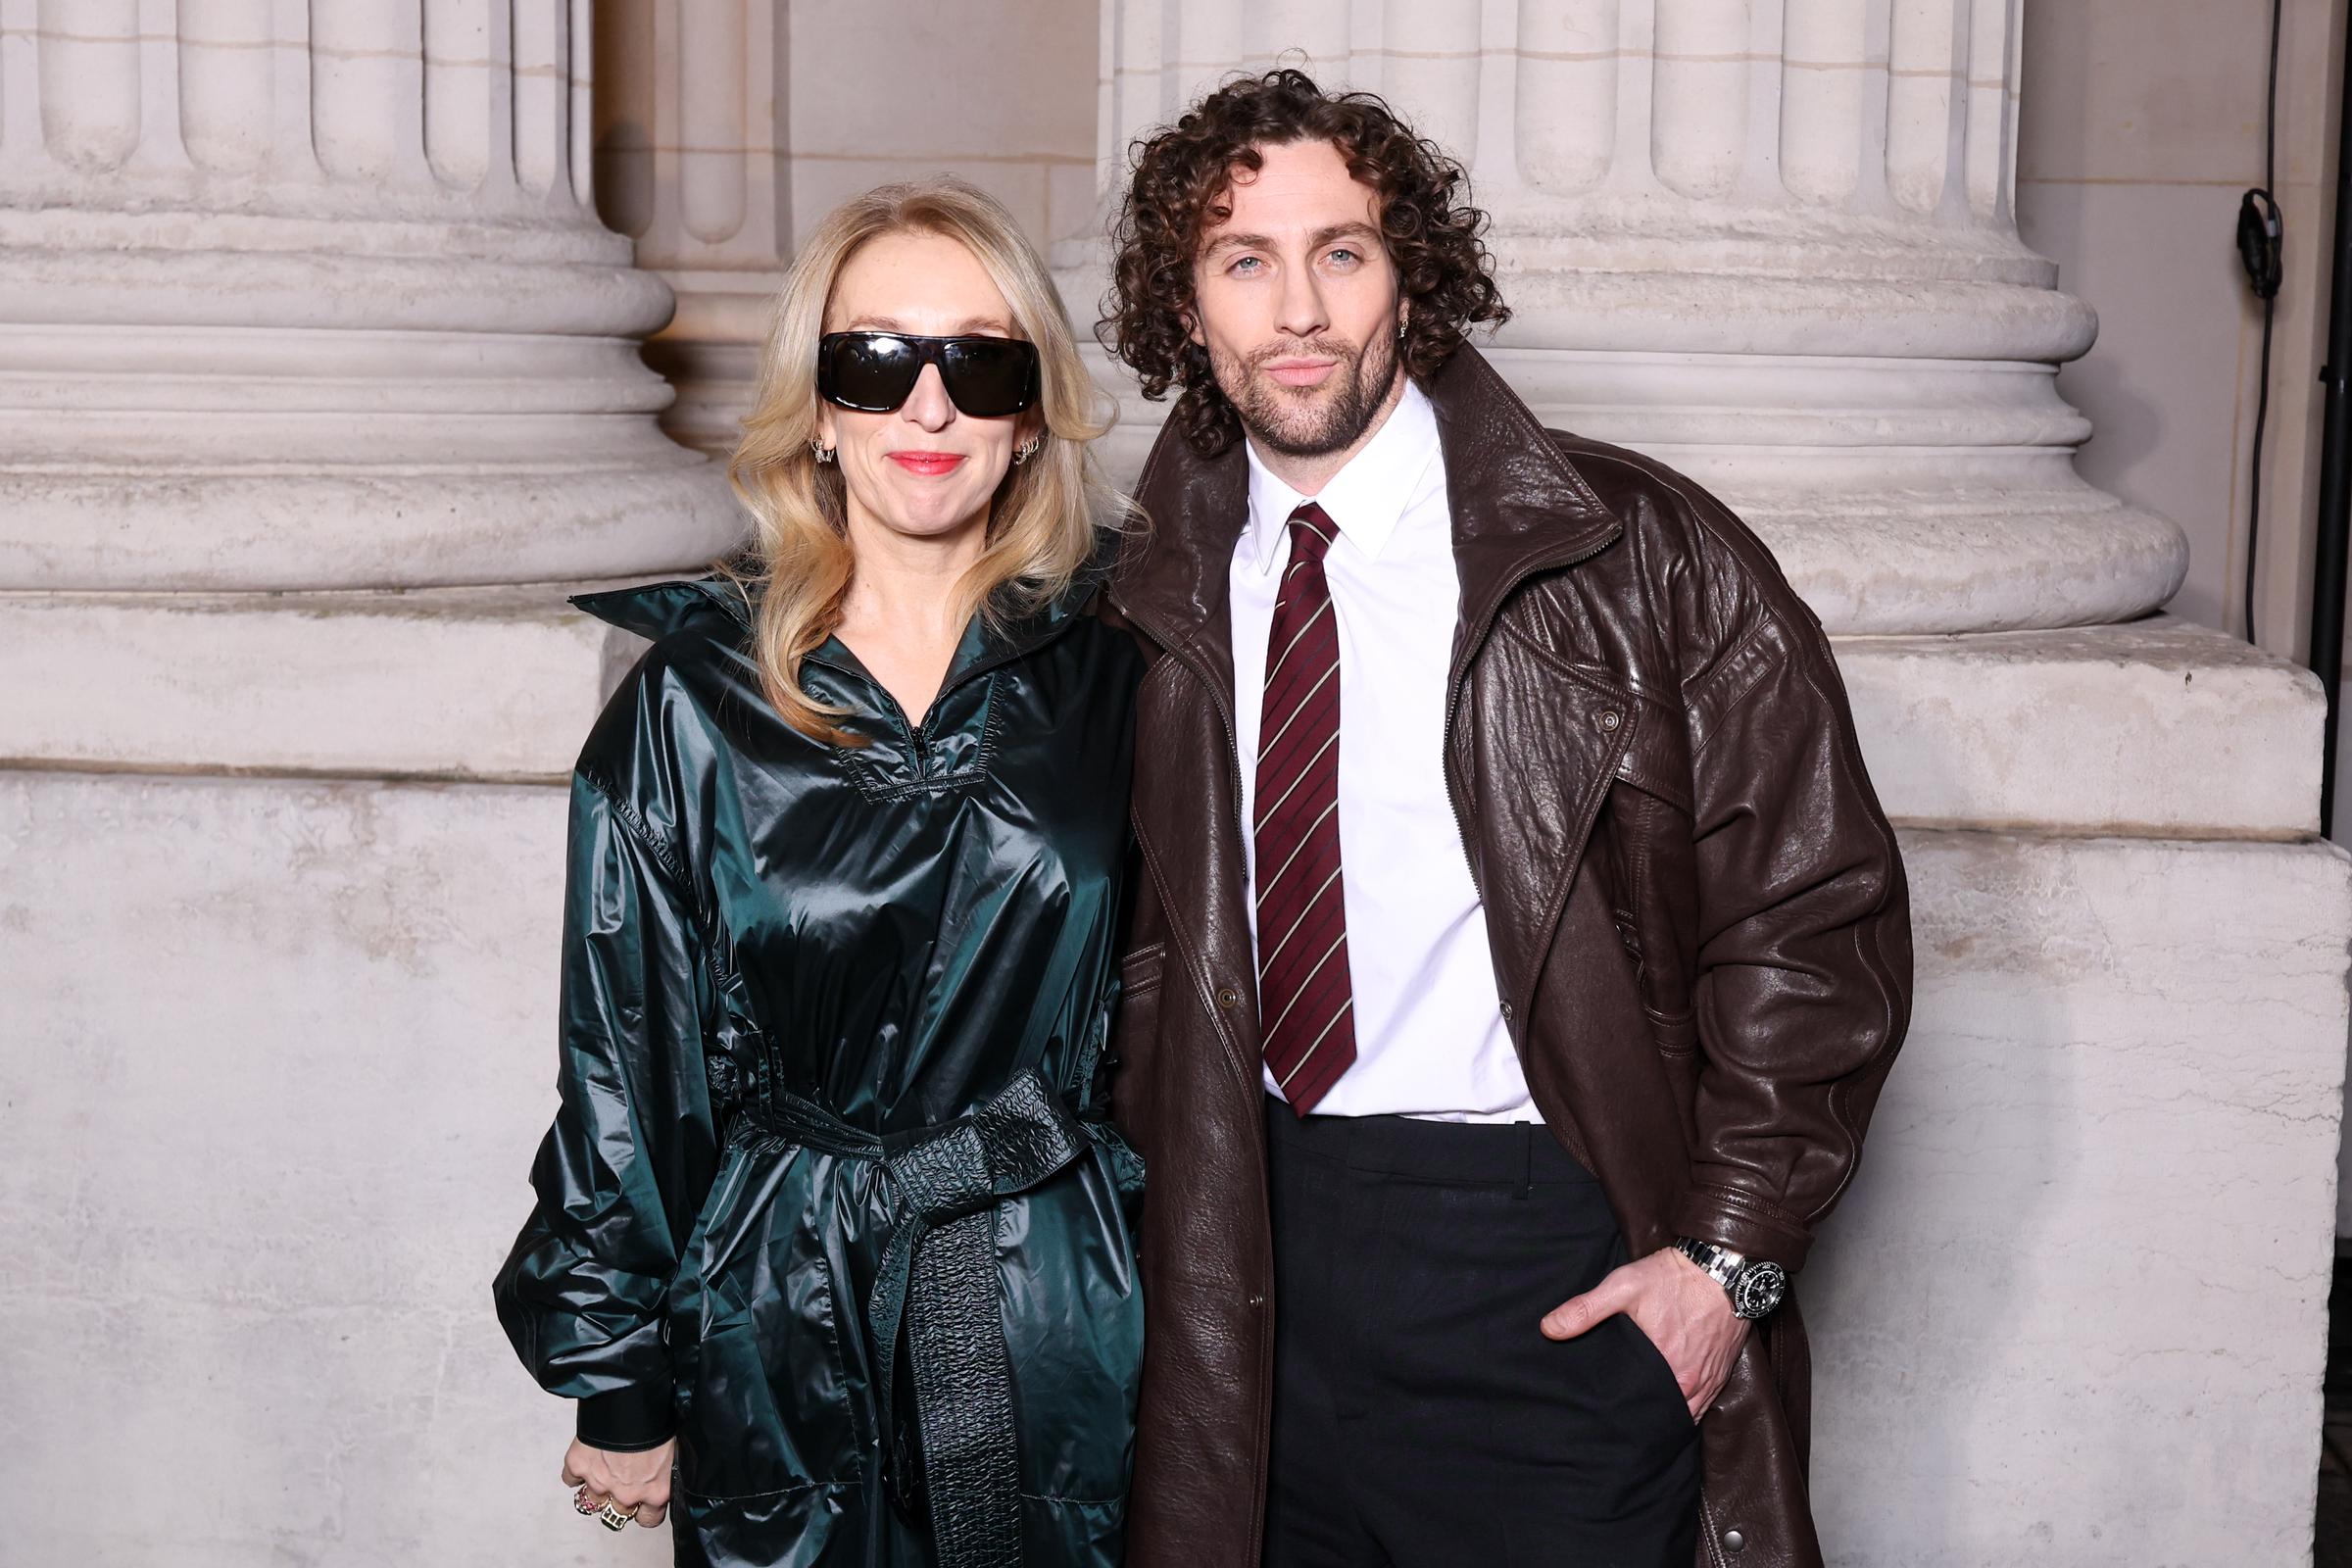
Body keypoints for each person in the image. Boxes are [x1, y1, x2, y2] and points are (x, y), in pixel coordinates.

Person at [1098, 70, 1913, 1568]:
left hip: (1539, 1255)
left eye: (1341, 251)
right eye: (1242, 260)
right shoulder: (1146, 596)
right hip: (1246, 1250)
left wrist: (1726, 1261)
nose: (1298, 311)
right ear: (1186, 304)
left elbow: (1813, 914)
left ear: (1413, 278)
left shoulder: (1635, 553)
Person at [493, 176, 1150, 1568]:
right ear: (821, 406)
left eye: (978, 364)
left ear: (1028, 412)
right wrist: (619, 1376)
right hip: (781, 1304)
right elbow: (626, 1058)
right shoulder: (693, 702)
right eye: (877, 360)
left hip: (1059, 1302)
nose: (929, 408)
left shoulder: (1127, 674)